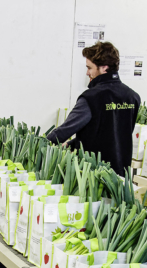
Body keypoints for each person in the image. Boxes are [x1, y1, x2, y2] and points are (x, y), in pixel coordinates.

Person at [47, 42, 141, 176]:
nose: (87, 73)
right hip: (120, 176)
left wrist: (39, 144)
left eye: (89, 68)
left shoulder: (91, 98)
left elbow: (65, 129)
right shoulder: (132, 97)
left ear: (104, 68)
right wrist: (72, 144)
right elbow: (113, 135)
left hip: (93, 176)